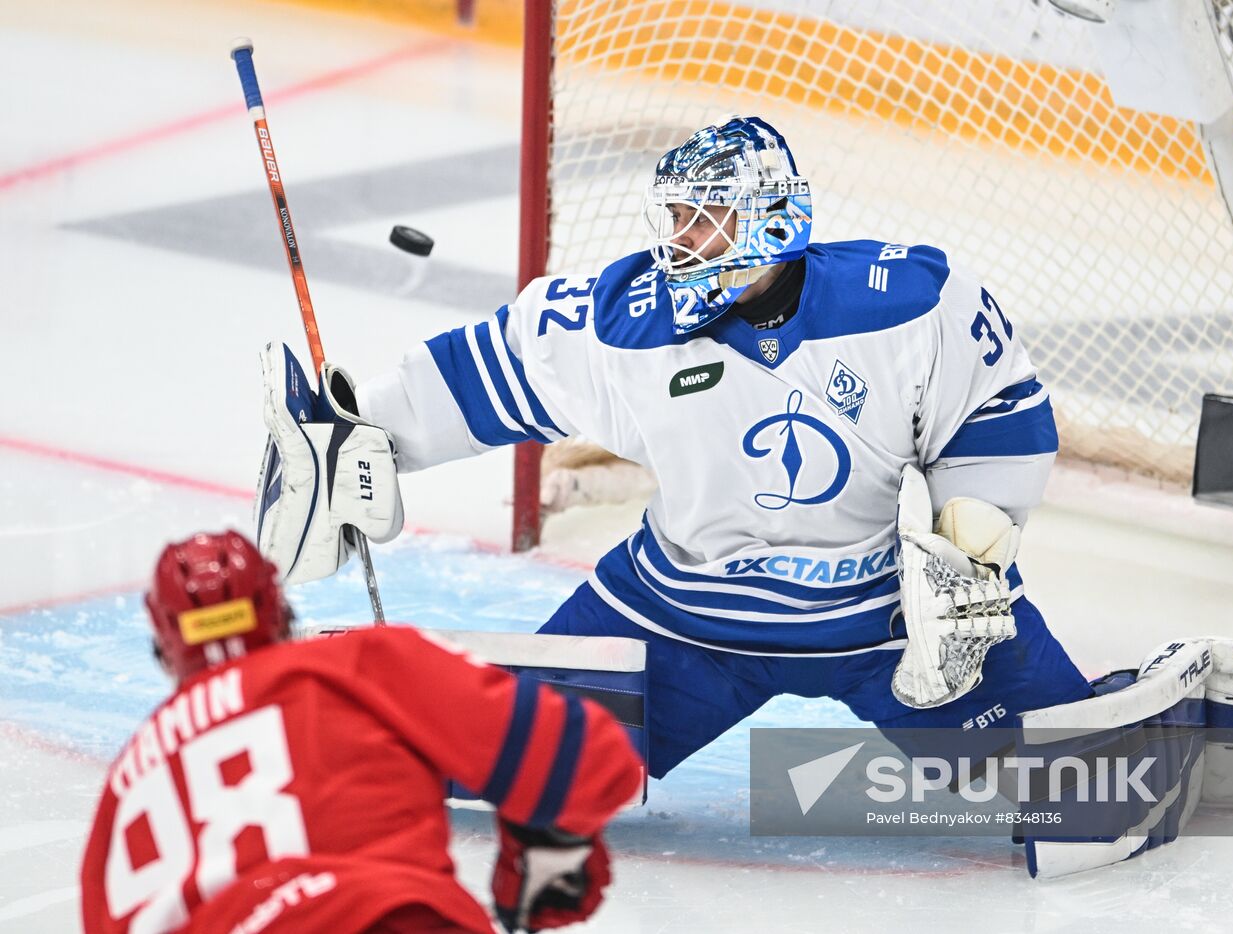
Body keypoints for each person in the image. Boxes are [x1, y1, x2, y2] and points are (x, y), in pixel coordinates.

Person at [256, 114, 1090, 784]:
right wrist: (366, 432)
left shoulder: (908, 303)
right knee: (523, 769)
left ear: (773, 215)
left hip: (885, 622)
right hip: (683, 618)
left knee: (1077, 785)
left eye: (708, 216)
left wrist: (965, 559)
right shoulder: (626, 324)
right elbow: (494, 371)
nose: (684, 239)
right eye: (678, 217)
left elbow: (999, 409)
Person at [79, 530, 642, 933]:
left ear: (164, 649)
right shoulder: (352, 666)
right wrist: (543, 849)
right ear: (281, 614)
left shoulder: (128, 783)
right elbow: (586, 759)